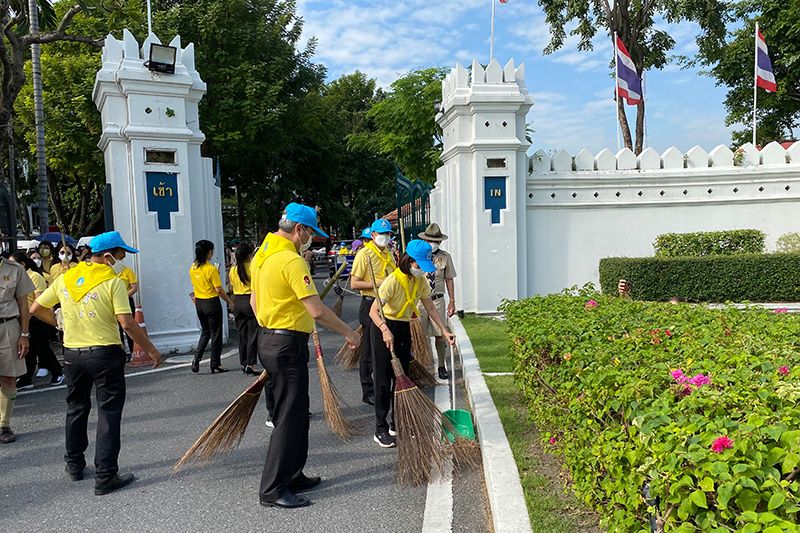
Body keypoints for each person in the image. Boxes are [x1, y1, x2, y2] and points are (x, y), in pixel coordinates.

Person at [30, 231, 162, 494]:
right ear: (107, 255)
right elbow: (126, 323)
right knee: (108, 412)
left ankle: (74, 464)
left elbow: (35, 308)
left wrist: (60, 325)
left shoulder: (66, 278)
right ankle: (105, 475)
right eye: (121, 254)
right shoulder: (113, 283)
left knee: (76, 406)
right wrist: (152, 350)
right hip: (104, 354)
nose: (123, 259)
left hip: (72, 354)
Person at [250, 202, 359, 509]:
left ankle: (294, 473)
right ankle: (272, 489)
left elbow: (255, 301)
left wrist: (271, 327)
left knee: (298, 414)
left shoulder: (262, 255)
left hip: (272, 340)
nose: (311, 236)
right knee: (288, 417)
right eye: (310, 231)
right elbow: (316, 310)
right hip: (286, 345)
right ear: (298, 229)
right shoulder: (290, 261)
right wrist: (349, 333)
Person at [369, 240, 455, 448]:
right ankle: (380, 429)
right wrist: (384, 330)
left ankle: (396, 424)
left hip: (403, 327)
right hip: (383, 327)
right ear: (408, 261)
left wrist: (444, 331)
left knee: (402, 378)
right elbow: (373, 311)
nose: (420, 271)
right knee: (383, 380)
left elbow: (432, 309)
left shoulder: (420, 282)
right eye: (418, 266)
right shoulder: (392, 282)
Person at [349, 219, 396, 406]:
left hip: (387, 306)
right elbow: (354, 283)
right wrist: (379, 285)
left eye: (387, 234)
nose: (384, 237)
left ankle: (384, 386)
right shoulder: (365, 254)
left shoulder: (389, 255)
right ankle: (368, 390)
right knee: (368, 351)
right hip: (369, 304)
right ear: (373, 235)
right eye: (380, 234)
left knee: (383, 349)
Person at [10, 252, 63, 389]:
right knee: (29, 350)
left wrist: (30, 313)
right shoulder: (14, 277)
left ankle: (57, 372)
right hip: (22, 317)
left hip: (37, 318)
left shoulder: (35, 276)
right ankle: (26, 378)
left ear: (22, 264)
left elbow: (39, 299)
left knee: (42, 348)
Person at [0, 255, 34, 443]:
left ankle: (3, 425)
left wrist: (24, 334)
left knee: (8, 376)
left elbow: (23, 304)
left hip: (8, 326)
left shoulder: (14, 269)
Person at [417, 223, 458, 380]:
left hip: (437, 300)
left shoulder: (445, 257)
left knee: (440, 333)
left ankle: (441, 365)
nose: (433, 244)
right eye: (430, 241)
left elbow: (449, 279)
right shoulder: (418, 257)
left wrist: (452, 301)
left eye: (436, 241)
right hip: (419, 301)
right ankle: (421, 366)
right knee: (419, 335)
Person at [189, 240, 235, 374]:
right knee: (216, 334)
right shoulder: (211, 269)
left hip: (199, 303)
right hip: (211, 302)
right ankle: (215, 363)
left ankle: (196, 360)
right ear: (209, 252)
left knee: (205, 332)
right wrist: (229, 302)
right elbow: (219, 289)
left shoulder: (193, 267)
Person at [229, 243, 260, 376]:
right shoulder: (253, 268)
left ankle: (243, 362)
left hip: (237, 302)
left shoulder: (233, 270)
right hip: (249, 300)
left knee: (242, 335)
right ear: (249, 255)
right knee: (252, 334)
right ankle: (251, 364)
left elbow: (231, 287)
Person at [117, 262, 139, 355]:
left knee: (129, 327)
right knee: (117, 330)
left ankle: (133, 351)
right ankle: (121, 353)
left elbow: (134, 287)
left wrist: (123, 296)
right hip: (114, 303)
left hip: (126, 301)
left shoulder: (127, 271)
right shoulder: (109, 273)